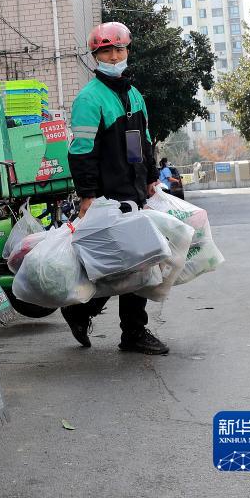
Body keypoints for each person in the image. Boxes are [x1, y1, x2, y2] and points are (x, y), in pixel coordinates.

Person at [60, 21, 169, 355]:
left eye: (119, 49)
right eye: (106, 51)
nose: (113, 56)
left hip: (133, 190)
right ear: (96, 56)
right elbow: (81, 151)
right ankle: (99, 317)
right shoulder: (89, 99)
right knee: (117, 265)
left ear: (127, 50)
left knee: (137, 262)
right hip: (107, 196)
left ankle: (115, 325)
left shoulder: (134, 95)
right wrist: (87, 195)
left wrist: (150, 177)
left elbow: (143, 142)